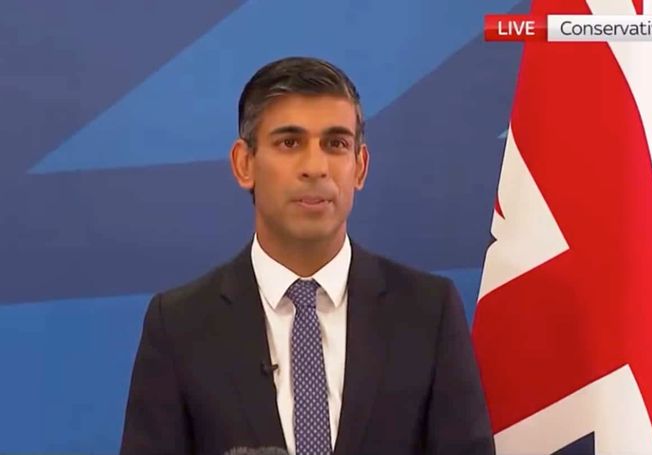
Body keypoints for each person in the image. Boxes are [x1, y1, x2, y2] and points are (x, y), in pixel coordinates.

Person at [120, 56, 494, 455]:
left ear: (360, 167)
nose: (315, 167)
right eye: (289, 143)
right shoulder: (179, 325)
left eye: (336, 144)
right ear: (244, 164)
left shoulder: (428, 312)